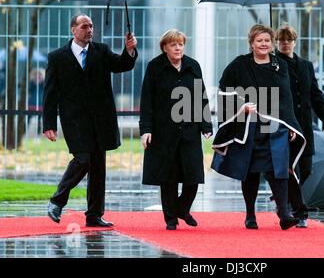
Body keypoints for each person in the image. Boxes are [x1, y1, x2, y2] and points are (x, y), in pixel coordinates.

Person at [43, 14, 138, 227]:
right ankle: (57, 200)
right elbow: (50, 93)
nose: (90, 30)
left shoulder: (101, 51)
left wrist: (129, 49)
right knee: (83, 160)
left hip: (101, 119)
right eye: (85, 26)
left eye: (91, 26)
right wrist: (48, 124)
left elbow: (122, 65)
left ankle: (94, 215)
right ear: (73, 30)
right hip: (75, 120)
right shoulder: (57, 57)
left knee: (98, 167)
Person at [211, 24, 303, 231]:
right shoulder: (239, 64)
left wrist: (290, 124)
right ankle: (250, 214)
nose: (264, 44)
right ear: (252, 43)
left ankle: (284, 214)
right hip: (250, 126)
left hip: (275, 125)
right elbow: (224, 91)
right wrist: (241, 107)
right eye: (259, 40)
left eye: (267, 40)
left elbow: (286, 96)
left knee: (278, 168)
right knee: (250, 170)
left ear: (272, 43)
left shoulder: (280, 65)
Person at [139, 29, 213, 230]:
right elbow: (147, 101)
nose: (178, 48)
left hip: (189, 129)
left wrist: (206, 125)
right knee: (168, 177)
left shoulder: (192, 66)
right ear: (165, 47)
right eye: (173, 44)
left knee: (193, 175)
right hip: (163, 131)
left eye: (180, 44)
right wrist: (146, 129)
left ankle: (182, 207)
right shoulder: (155, 67)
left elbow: (201, 97)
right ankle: (170, 218)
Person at [275, 25, 324, 228]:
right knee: (291, 168)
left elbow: (315, 92)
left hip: (305, 124)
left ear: (294, 41)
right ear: (277, 42)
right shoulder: (273, 64)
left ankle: (285, 199)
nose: (285, 43)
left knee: (306, 168)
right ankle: (299, 211)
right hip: (285, 124)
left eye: (289, 40)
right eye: (281, 40)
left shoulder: (306, 65)